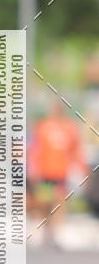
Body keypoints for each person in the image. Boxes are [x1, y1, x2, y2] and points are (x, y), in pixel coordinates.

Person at [29, 98, 88, 246]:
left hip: (61, 173)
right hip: (45, 174)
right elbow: (35, 149)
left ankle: (56, 232)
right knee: (44, 201)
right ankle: (42, 228)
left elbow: (76, 151)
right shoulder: (43, 127)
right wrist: (33, 168)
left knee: (60, 201)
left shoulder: (69, 128)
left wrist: (83, 168)